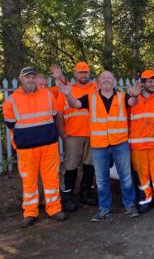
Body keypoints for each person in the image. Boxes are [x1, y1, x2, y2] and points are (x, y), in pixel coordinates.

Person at [57, 70, 141, 221]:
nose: (106, 80)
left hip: (120, 143)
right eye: (103, 78)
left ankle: (129, 205)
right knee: (101, 179)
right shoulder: (90, 98)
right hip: (99, 145)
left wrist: (135, 95)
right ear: (98, 82)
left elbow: (132, 103)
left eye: (109, 77)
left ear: (114, 81)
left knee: (126, 176)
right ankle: (104, 208)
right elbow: (75, 104)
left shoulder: (123, 96)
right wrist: (68, 94)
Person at [3, 67, 66, 227]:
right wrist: (18, 145)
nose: (30, 80)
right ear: (21, 79)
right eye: (27, 77)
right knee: (28, 181)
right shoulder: (11, 101)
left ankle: (54, 209)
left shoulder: (48, 95)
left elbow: (53, 116)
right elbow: (10, 126)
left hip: (49, 146)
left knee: (51, 179)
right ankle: (30, 212)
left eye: (33, 77)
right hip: (26, 149)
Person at [51, 62, 97, 211]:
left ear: (89, 73)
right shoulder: (67, 89)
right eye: (80, 72)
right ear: (75, 74)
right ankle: (67, 195)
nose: (83, 75)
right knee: (71, 167)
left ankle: (85, 192)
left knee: (90, 166)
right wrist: (63, 135)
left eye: (86, 72)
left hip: (93, 135)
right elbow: (59, 115)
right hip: (73, 135)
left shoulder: (95, 88)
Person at [129, 69, 154, 213]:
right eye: (150, 81)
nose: (153, 84)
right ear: (143, 83)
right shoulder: (133, 99)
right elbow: (128, 104)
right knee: (141, 174)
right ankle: (146, 199)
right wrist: (133, 95)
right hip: (138, 146)